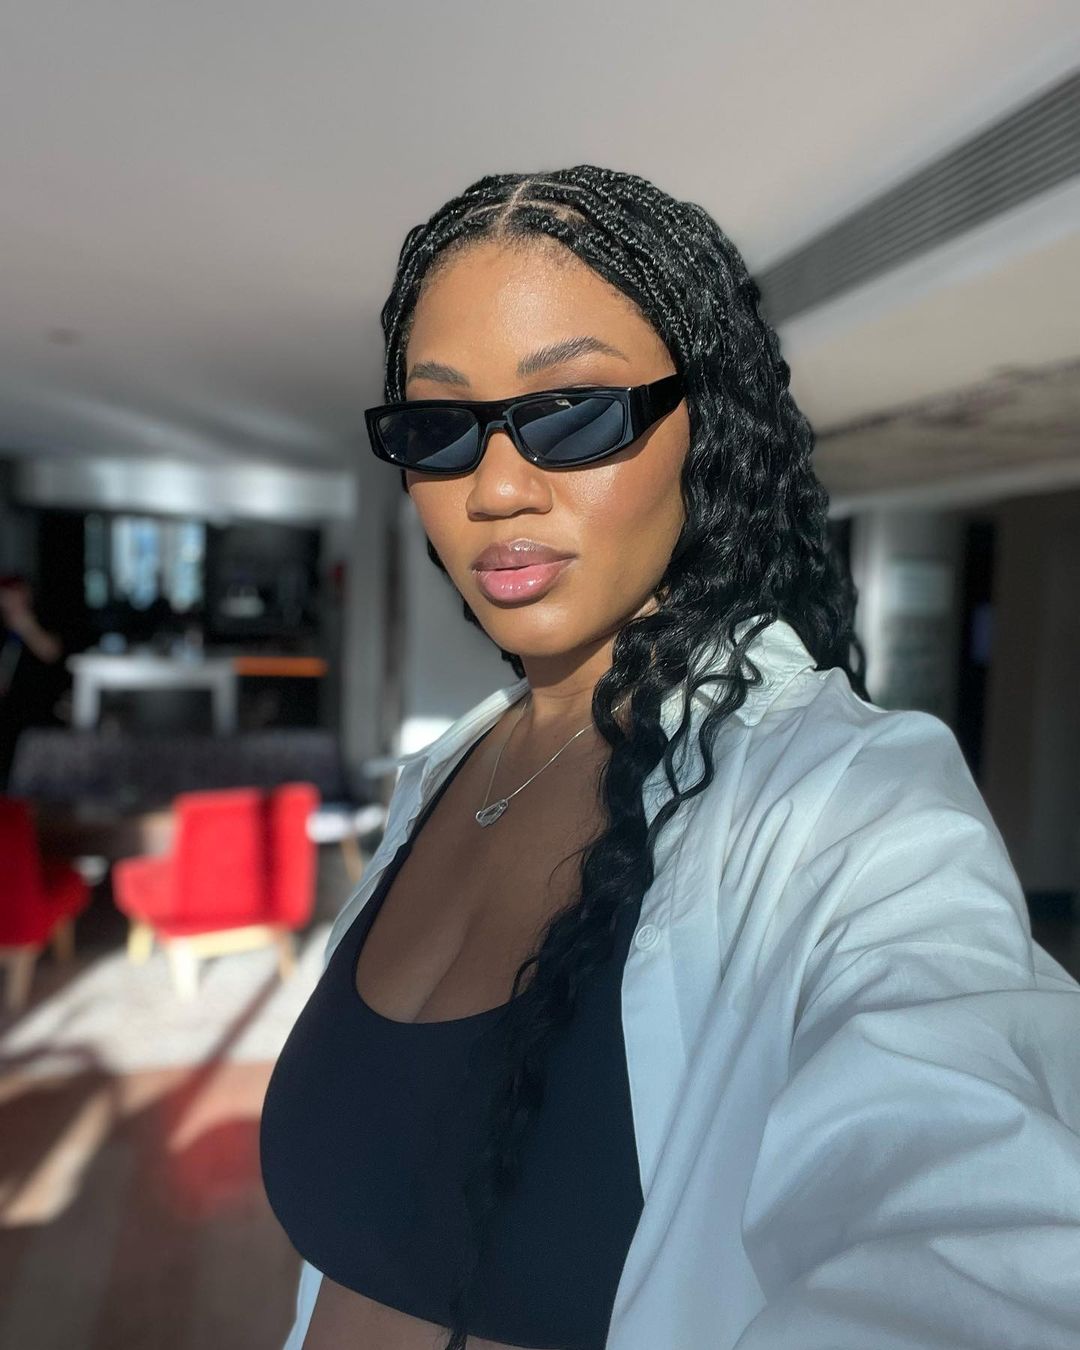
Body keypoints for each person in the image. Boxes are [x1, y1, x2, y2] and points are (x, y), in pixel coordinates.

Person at [258, 166, 1080, 1350]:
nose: (495, 488)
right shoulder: (441, 779)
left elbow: (979, 1229)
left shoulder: (852, 805)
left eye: (576, 412)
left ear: (713, 427)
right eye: (439, 429)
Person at [0, 574, 66, 787]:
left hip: (37, 719)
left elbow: (51, 652)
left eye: (16, 596)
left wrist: (25, 626)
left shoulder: (44, 619)